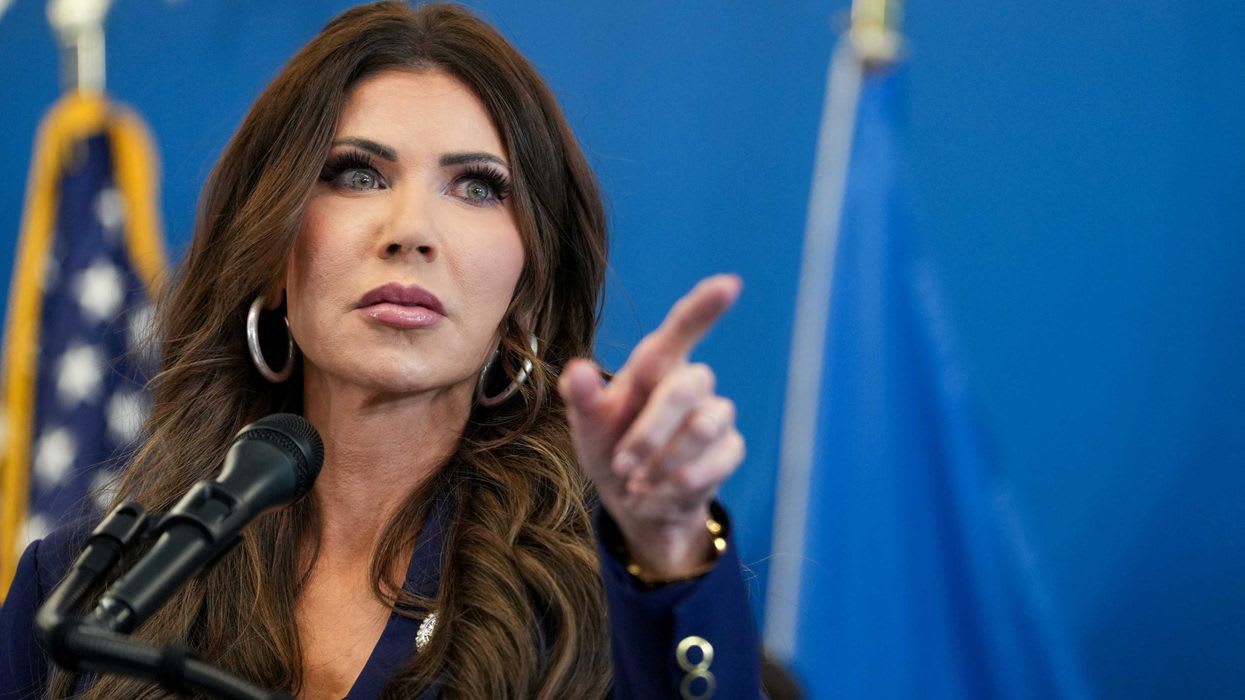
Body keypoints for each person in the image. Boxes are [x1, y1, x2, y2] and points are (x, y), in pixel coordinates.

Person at [0, 3, 761, 698]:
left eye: (477, 187)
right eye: (357, 175)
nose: (412, 231)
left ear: (527, 282)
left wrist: (669, 552)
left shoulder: (614, 582)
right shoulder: (78, 594)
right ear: (270, 249)